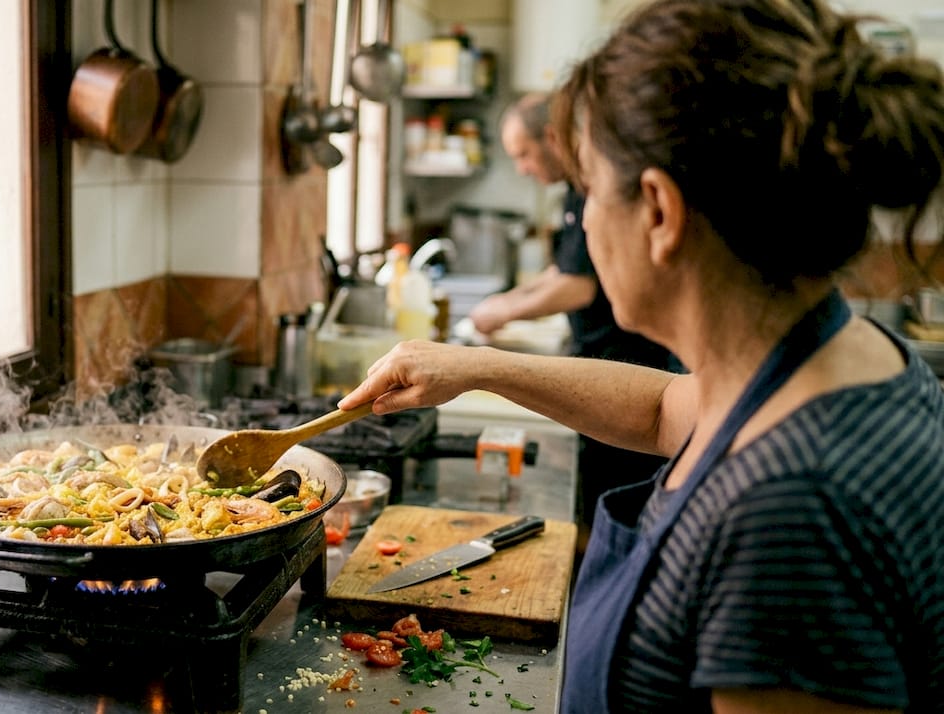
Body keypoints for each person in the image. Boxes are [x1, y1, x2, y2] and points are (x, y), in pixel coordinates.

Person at [339, 0, 944, 710]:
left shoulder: (790, 516)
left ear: (658, 212)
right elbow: (664, 408)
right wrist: (474, 368)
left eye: (589, 189)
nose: (583, 219)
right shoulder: (845, 354)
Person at [471, 91, 679, 538]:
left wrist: (499, 322)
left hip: (626, 364)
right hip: (608, 364)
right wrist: (508, 300)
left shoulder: (591, 185)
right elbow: (562, 270)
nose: (523, 168)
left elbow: (577, 285)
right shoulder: (573, 192)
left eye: (523, 154)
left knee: (621, 506)